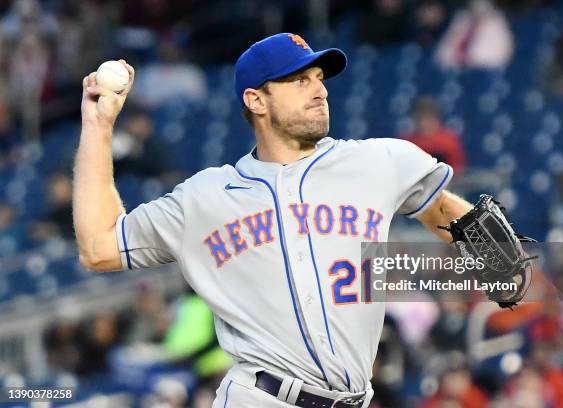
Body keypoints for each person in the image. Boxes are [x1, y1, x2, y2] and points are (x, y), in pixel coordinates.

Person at [73, 33, 476, 407]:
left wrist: (502, 261)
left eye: (319, 78)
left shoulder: (378, 161)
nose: (320, 91)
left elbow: (439, 207)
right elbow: (98, 246)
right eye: (300, 81)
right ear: (256, 100)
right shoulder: (206, 198)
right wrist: (98, 126)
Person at [400, 96, 467, 175]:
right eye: (420, 119)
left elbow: (458, 172)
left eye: (428, 119)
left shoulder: (449, 143)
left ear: (437, 119)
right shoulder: (407, 143)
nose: (424, 124)